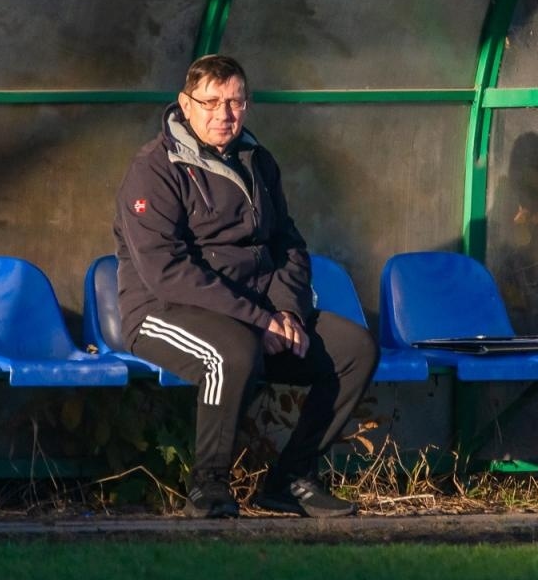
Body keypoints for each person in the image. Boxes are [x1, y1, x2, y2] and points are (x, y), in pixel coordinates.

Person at [114, 55, 379, 518]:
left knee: (354, 349)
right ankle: (209, 487)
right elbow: (167, 272)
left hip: (257, 312)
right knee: (233, 351)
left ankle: (290, 480)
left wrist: (288, 314)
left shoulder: (258, 161)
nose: (224, 114)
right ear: (185, 103)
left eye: (235, 102)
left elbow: (289, 246)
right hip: (163, 311)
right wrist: (260, 319)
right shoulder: (155, 168)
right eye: (211, 101)